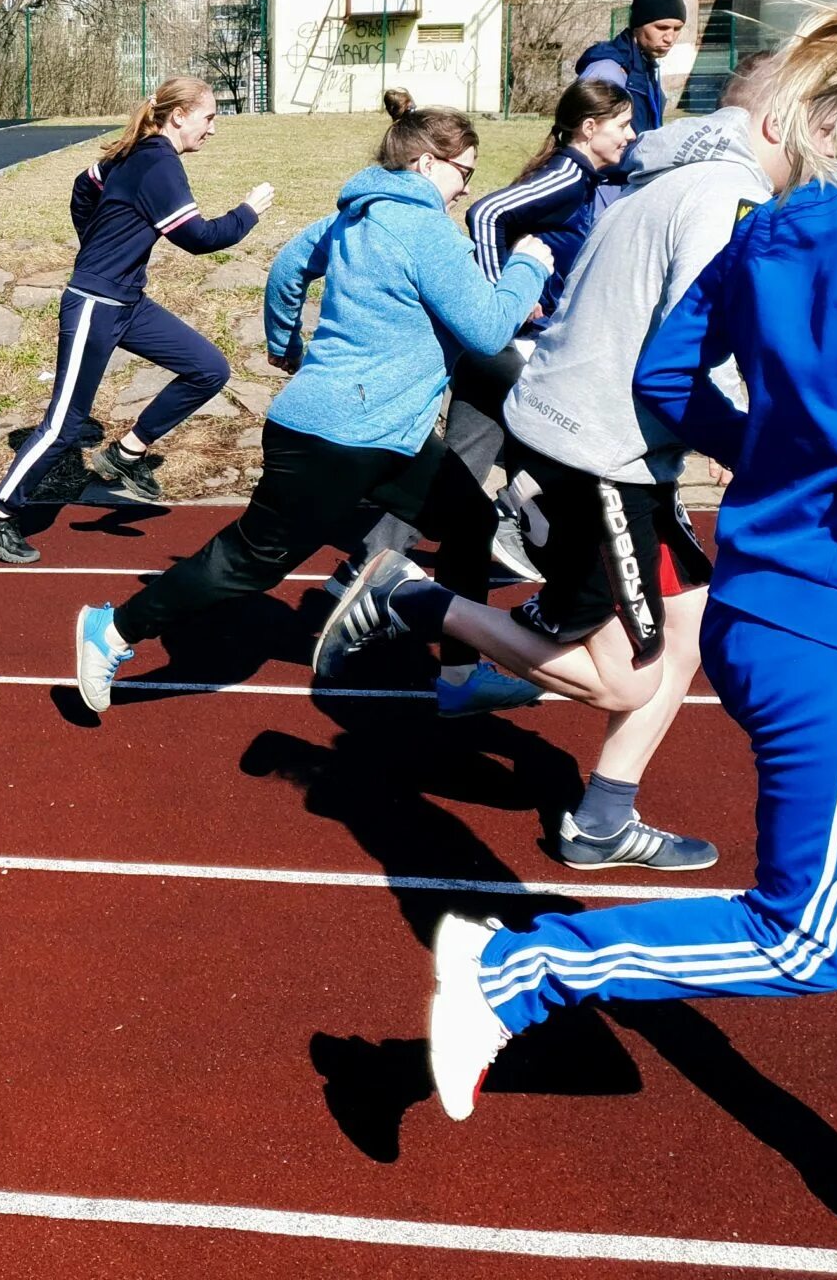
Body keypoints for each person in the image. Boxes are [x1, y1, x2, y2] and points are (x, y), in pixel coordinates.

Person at [426, 0, 837, 1266]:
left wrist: (780, 460)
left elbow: (668, 378)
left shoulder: (789, 216)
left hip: (767, 604)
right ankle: (518, 973)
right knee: (805, 935)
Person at [323, 60, 791, 872]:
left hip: (602, 435)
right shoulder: (720, 192)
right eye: (830, 131)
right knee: (625, 681)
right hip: (602, 452)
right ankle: (411, 596)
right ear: (783, 124)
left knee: (685, 627)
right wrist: (746, 444)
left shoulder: (659, 174)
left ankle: (604, 817)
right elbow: (690, 349)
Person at [68, 104, 542, 712]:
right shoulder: (426, 231)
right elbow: (486, 329)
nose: (466, 188)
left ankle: (458, 678)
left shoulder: (352, 217)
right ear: (427, 163)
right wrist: (529, 266)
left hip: (388, 434)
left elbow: (290, 266)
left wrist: (284, 345)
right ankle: (111, 630)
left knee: (471, 523)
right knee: (250, 562)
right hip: (337, 436)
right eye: (463, 173)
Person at [0, 77, 272, 568]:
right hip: (94, 304)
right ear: (178, 116)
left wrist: (100, 245)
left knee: (209, 369)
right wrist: (248, 211)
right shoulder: (157, 162)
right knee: (64, 426)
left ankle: (126, 455)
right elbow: (198, 238)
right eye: (209, 117)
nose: (213, 129)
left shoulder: (135, 153)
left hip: (127, 303)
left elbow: (83, 186)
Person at [431, 76, 634, 579]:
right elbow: (487, 211)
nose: (630, 135)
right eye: (623, 125)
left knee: (459, 462)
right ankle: (507, 511)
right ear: (589, 128)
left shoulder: (581, 176)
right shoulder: (568, 173)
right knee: (569, 429)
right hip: (515, 342)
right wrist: (506, 296)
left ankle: (364, 567)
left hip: (510, 343)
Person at [578, 0, 688, 140]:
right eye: (661, 28)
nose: (669, 38)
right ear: (637, 26)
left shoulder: (646, 65)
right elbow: (586, 138)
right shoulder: (608, 70)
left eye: (677, 29)